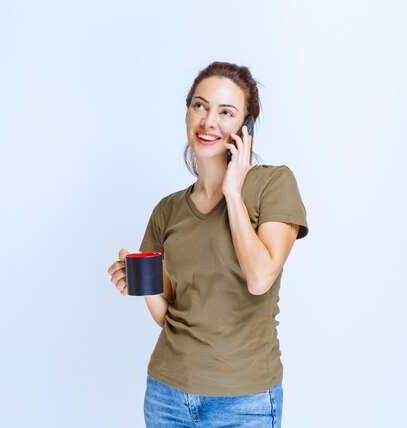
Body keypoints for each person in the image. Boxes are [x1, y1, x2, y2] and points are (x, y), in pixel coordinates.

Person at [107, 61, 309, 427]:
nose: (208, 120)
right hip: (167, 394)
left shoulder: (273, 185)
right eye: (199, 105)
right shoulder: (167, 210)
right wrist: (140, 281)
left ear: (245, 128)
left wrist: (233, 193)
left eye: (226, 112)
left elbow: (260, 277)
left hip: (245, 402)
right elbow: (168, 315)